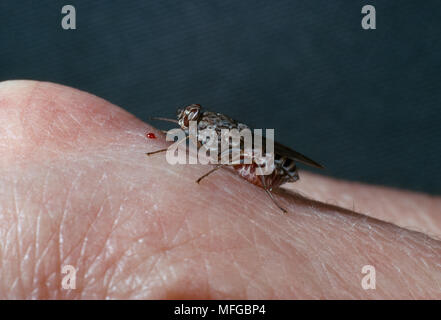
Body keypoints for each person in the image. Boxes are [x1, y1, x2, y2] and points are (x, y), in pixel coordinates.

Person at [0, 80, 440, 299]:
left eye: (188, 121)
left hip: (262, 157)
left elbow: (221, 148)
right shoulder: (201, 131)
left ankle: (271, 188)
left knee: (236, 154)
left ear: (195, 121)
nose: (186, 125)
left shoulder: (208, 132)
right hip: (261, 154)